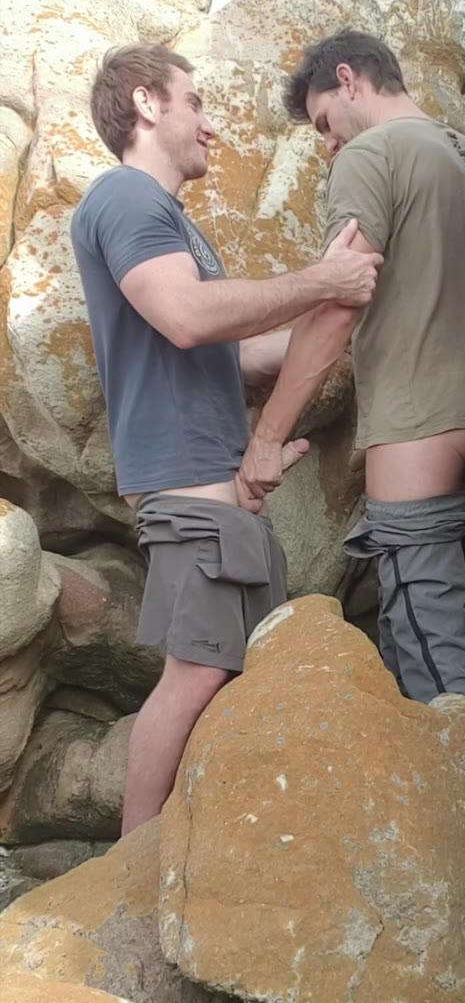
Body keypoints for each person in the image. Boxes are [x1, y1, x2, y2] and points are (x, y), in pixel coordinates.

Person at [70, 43, 383, 834]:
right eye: (195, 102)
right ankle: (130, 864)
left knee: (234, 677)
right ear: (147, 104)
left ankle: (189, 852)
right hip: (190, 495)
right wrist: (319, 281)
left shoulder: (173, 223)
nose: (211, 126)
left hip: (226, 498)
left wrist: (335, 311)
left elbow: (236, 355)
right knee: (197, 674)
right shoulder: (125, 197)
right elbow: (186, 318)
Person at [237, 29, 465, 732]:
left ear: (349, 79)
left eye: (325, 121)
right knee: (424, 636)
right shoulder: (459, 151)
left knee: (435, 662)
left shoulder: (370, 156)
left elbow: (336, 306)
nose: (328, 143)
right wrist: (246, 354)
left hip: (415, 430)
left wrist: (267, 439)